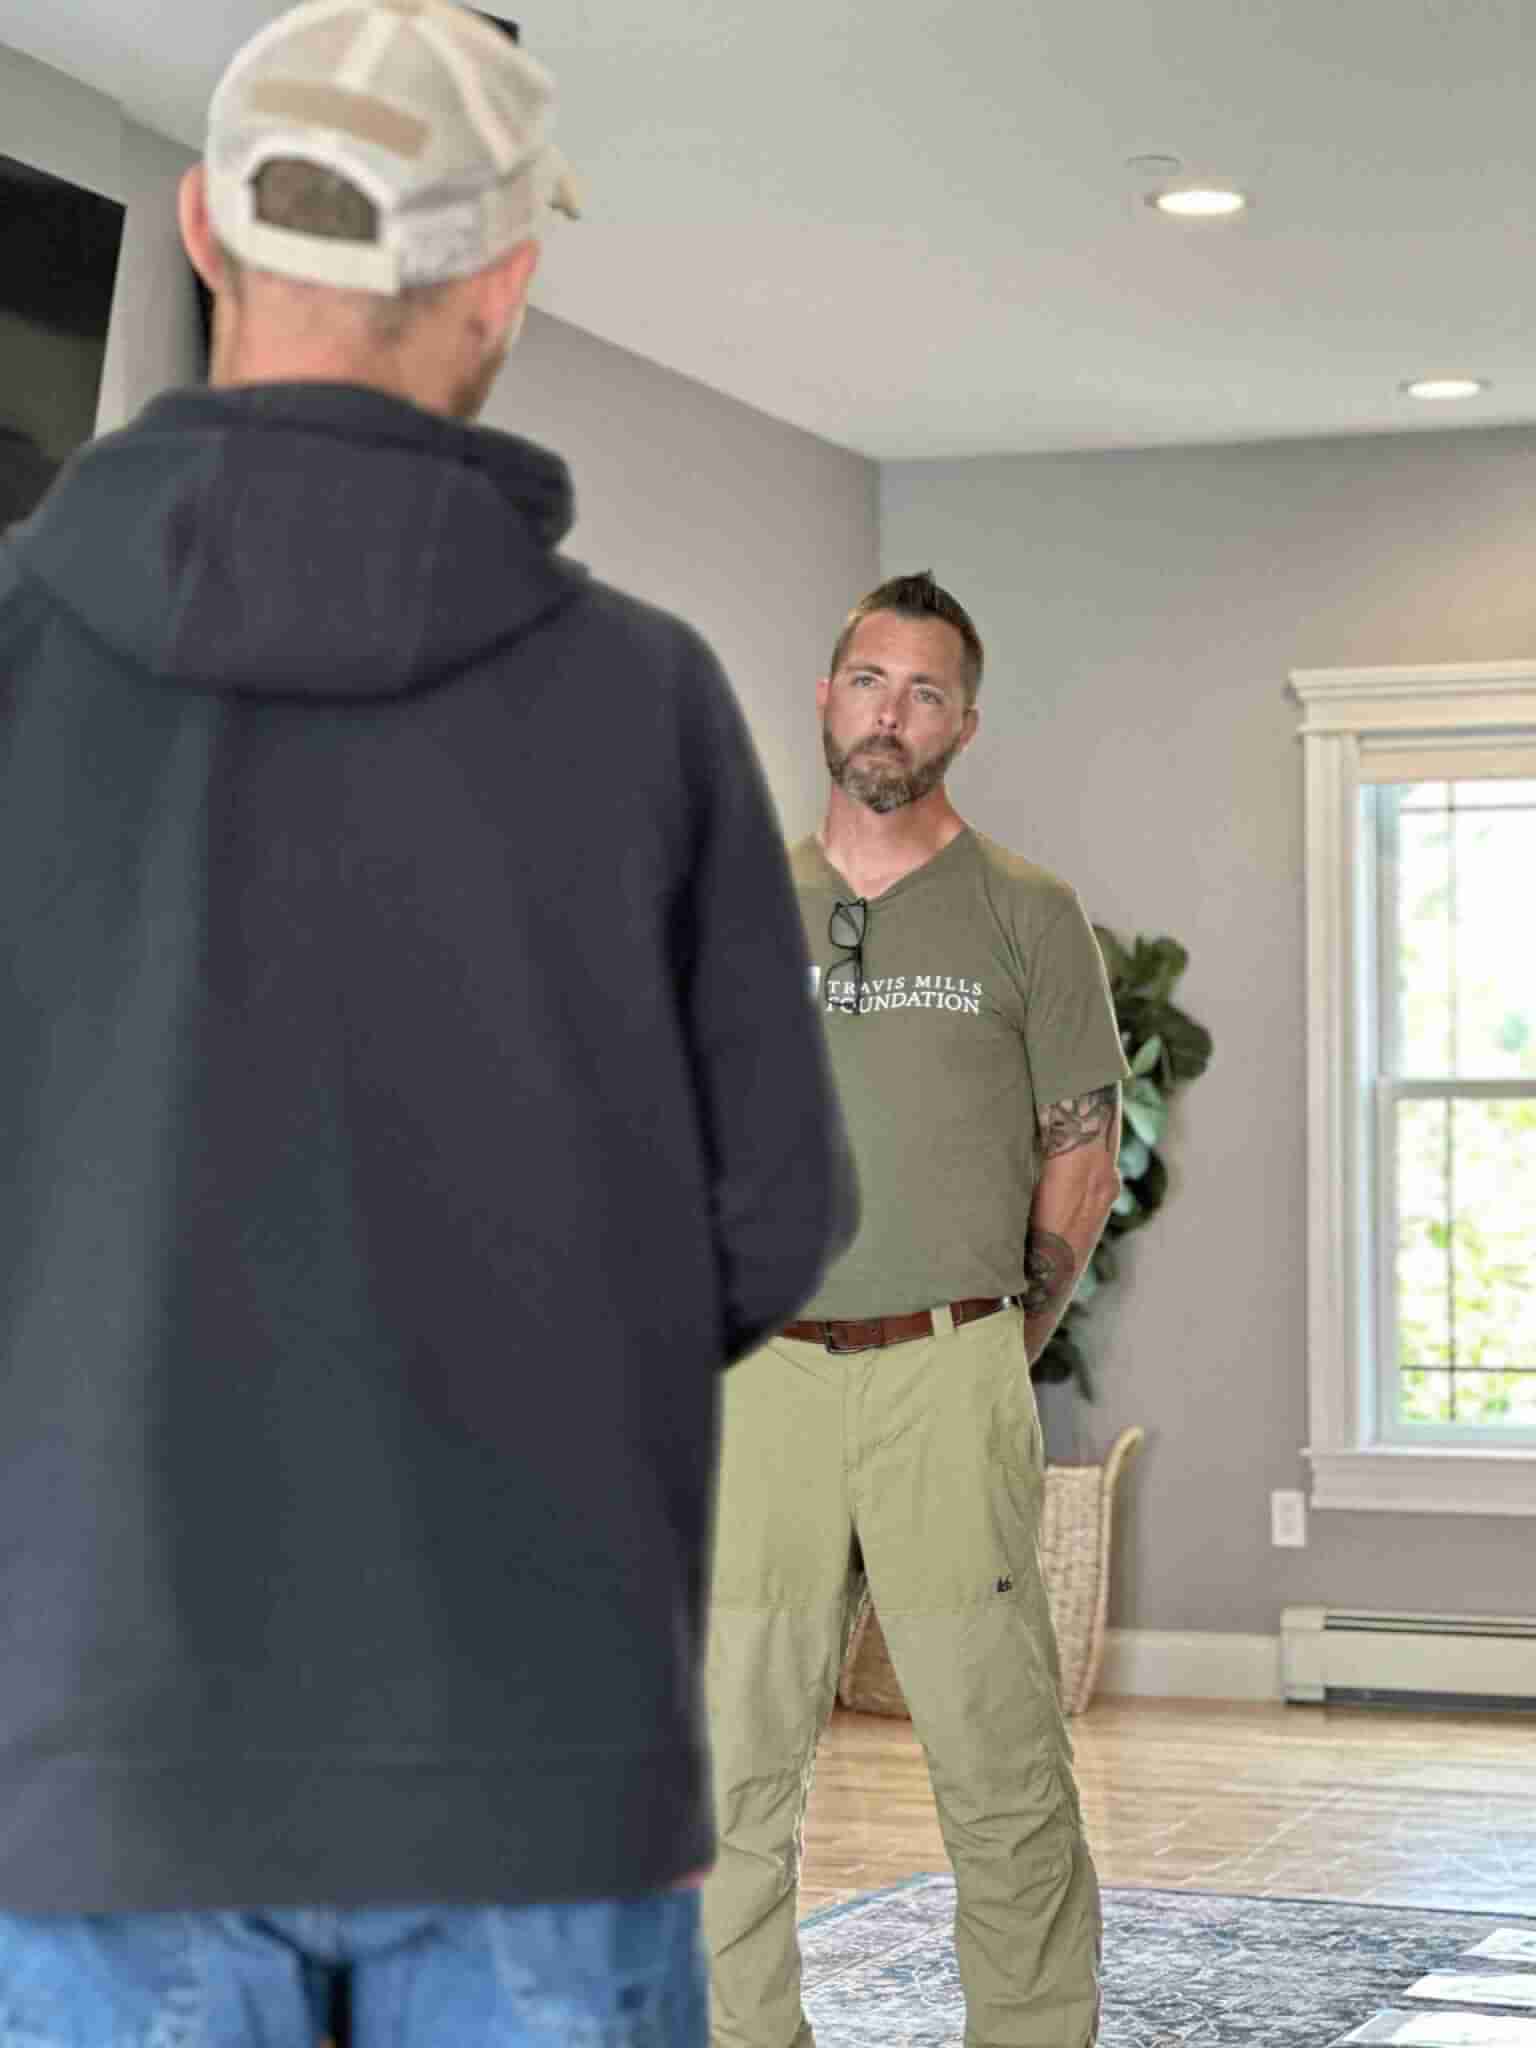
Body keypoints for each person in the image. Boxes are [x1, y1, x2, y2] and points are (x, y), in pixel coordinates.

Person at [0, 4, 856, 2042]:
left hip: (93, 1764)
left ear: (206, 227)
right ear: (505, 279)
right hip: (537, 1758)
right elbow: (777, 1218)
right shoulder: (645, 700)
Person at [701, 572, 1126, 2048]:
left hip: (951, 1368)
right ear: (828, 698)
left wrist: (1001, 1345)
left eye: (926, 691)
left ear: (964, 724)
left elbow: (1082, 1150)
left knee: (999, 1762)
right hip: (759, 1381)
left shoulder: (1027, 913)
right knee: (729, 1765)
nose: (893, 713)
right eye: (871, 681)